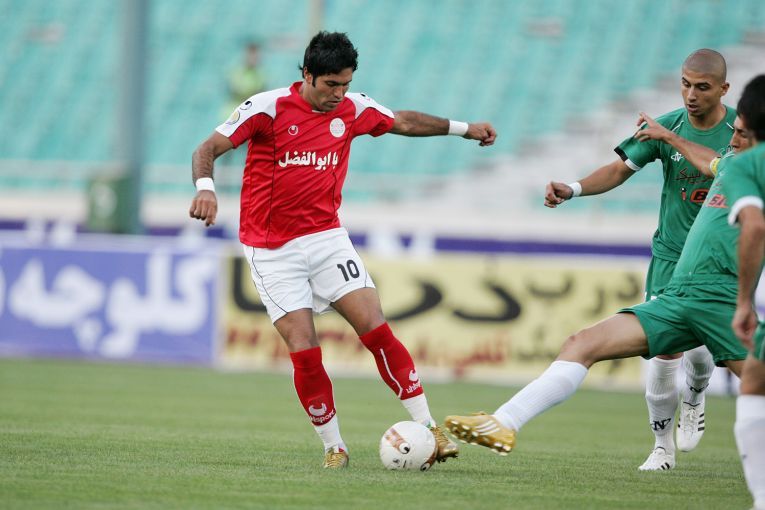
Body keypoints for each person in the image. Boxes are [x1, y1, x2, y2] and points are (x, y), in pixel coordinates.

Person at [188, 31, 497, 469]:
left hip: (327, 239)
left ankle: (430, 428)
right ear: (307, 74)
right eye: (331, 84)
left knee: (375, 328)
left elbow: (404, 122)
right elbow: (207, 148)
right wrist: (206, 188)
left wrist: (464, 129)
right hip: (272, 251)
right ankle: (334, 447)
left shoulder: (353, 109)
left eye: (346, 84)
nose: (338, 94)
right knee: (304, 348)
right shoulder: (266, 108)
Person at [444, 98, 754, 472]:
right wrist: (669, 140)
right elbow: (710, 162)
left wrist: (743, 298)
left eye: (741, 134)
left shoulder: (757, 172)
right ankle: (504, 422)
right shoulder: (731, 162)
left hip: (719, 300)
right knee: (581, 343)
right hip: (678, 296)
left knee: (754, 383)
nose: (731, 139)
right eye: (734, 132)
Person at [543, 49, 736, 470]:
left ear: (723, 89)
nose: (691, 94)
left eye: (702, 87)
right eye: (685, 84)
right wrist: (573, 188)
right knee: (664, 354)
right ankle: (662, 448)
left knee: (702, 350)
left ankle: (696, 395)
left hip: (718, 260)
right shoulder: (668, 125)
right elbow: (618, 170)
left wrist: (669, 139)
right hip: (670, 258)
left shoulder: (738, 132)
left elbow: (723, 170)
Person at [726, 75, 765, 510]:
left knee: (754, 382)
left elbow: (754, 226)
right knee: (754, 373)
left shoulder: (746, 165)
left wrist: (742, 303)